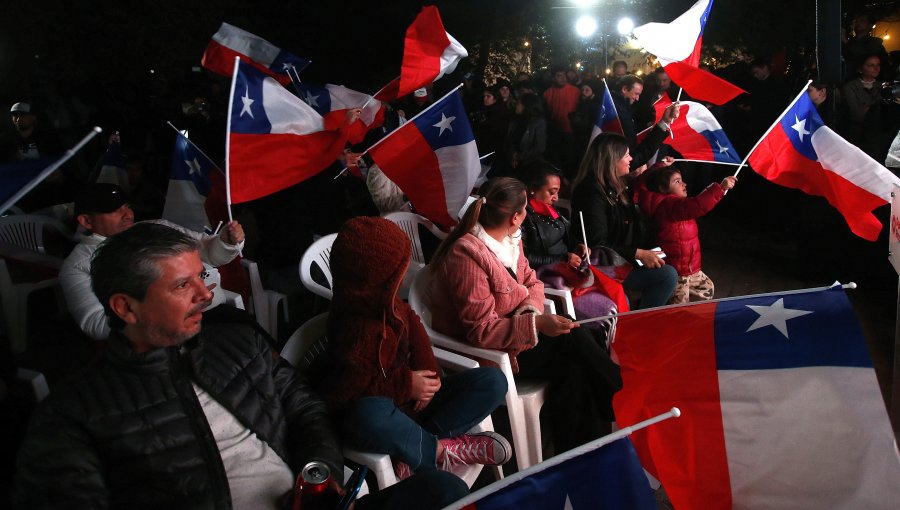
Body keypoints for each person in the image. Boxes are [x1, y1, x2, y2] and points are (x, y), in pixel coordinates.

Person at [15, 223, 468, 509]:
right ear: (125, 308)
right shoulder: (74, 418)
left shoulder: (239, 346)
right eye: (182, 286)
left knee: (445, 491)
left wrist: (319, 476)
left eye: (201, 278)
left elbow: (308, 410)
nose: (206, 294)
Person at [428, 177, 623, 454]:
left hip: (518, 335)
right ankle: (618, 391)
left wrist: (530, 311)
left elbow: (533, 282)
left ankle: (584, 452)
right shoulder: (466, 257)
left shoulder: (510, 240)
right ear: (517, 215)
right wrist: (536, 322)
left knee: (574, 366)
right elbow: (481, 331)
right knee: (573, 340)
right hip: (492, 354)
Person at [311, 217, 511, 479]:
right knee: (367, 414)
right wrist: (406, 385)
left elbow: (418, 340)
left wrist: (429, 379)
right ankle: (437, 451)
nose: (403, 275)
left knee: (493, 380)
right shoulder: (352, 331)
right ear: (376, 280)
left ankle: (412, 451)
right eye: (398, 272)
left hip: (414, 408)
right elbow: (345, 395)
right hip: (383, 416)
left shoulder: (395, 306)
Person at [59, 183, 245, 340]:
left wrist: (226, 242)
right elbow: (95, 323)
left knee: (252, 339)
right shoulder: (78, 266)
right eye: (114, 211)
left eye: (126, 206)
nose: (127, 215)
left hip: (214, 314)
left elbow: (209, 252)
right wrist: (177, 308)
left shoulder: (158, 228)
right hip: (157, 340)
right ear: (86, 221)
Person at [571, 133, 678, 309]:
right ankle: (635, 324)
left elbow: (641, 155)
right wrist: (639, 254)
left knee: (668, 273)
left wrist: (663, 125)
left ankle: (643, 320)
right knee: (666, 276)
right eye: (626, 155)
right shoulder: (591, 193)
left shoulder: (614, 182)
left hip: (622, 258)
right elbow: (598, 244)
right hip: (601, 266)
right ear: (612, 160)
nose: (631, 159)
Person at [520, 161, 625, 325]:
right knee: (608, 305)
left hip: (569, 266)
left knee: (615, 287)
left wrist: (577, 246)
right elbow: (526, 258)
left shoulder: (553, 212)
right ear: (532, 189)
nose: (556, 198)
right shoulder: (522, 218)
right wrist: (563, 258)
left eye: (557, 192)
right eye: (551, 192)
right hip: (548, 274)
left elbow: (567, 237)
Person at [635, 166, 737, 304]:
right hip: (678, 271)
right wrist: (720, 188)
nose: (684, 184)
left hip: (690, 268)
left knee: (706, 289)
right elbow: (697, 205)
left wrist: (661, 165)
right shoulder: (670, 205)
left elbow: (642, 181)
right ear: (663, 189)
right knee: (677, 305)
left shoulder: (672, 204)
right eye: (677, 182)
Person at [611, 75, 679, 170]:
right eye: (636, 93)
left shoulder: (621, 108)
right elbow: (633, 158)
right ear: (625, 89)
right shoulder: (618, 112)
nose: (637, 98)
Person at [841, 54, 884, 155]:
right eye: (870, 65)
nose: (876, 68)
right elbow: (856, 114)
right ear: (860, 69)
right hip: (858, 134)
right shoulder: (850, 87)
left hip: (879, 135)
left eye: (878, 64)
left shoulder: (883, 86)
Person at [543, 66, 581, 176]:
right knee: (555, 159)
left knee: (569, 158)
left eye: (564, 75)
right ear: (554, 78)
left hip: (571, 130)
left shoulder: (576, 91)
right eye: (559, 76)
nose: (562, 78)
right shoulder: (547, 92)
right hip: (554, 131)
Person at [501, 93, 547, 175]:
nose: (516, 105)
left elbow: (539, 148)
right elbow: (509, 139)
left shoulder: (539, 123)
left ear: (526, 106)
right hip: (512, 161)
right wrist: (513, 155)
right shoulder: (515, 120)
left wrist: (519, 157)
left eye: (519, 103)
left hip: (530, 164)